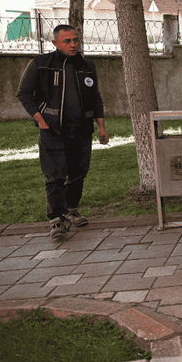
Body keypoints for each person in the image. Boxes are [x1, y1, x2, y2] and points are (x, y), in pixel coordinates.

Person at [16, 24, 109, 240]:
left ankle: (71, 210)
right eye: (67, 41)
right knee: (55, 176)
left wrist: (101, 126)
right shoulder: (41, 64)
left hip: (82, 130)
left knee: (78, 172)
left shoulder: (87, 66)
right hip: (53, 131)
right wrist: (40, 120)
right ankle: (56, 221)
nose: (73, 45)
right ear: (55, 43)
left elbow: (96, 98)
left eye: (75, 40)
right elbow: (24, 93)